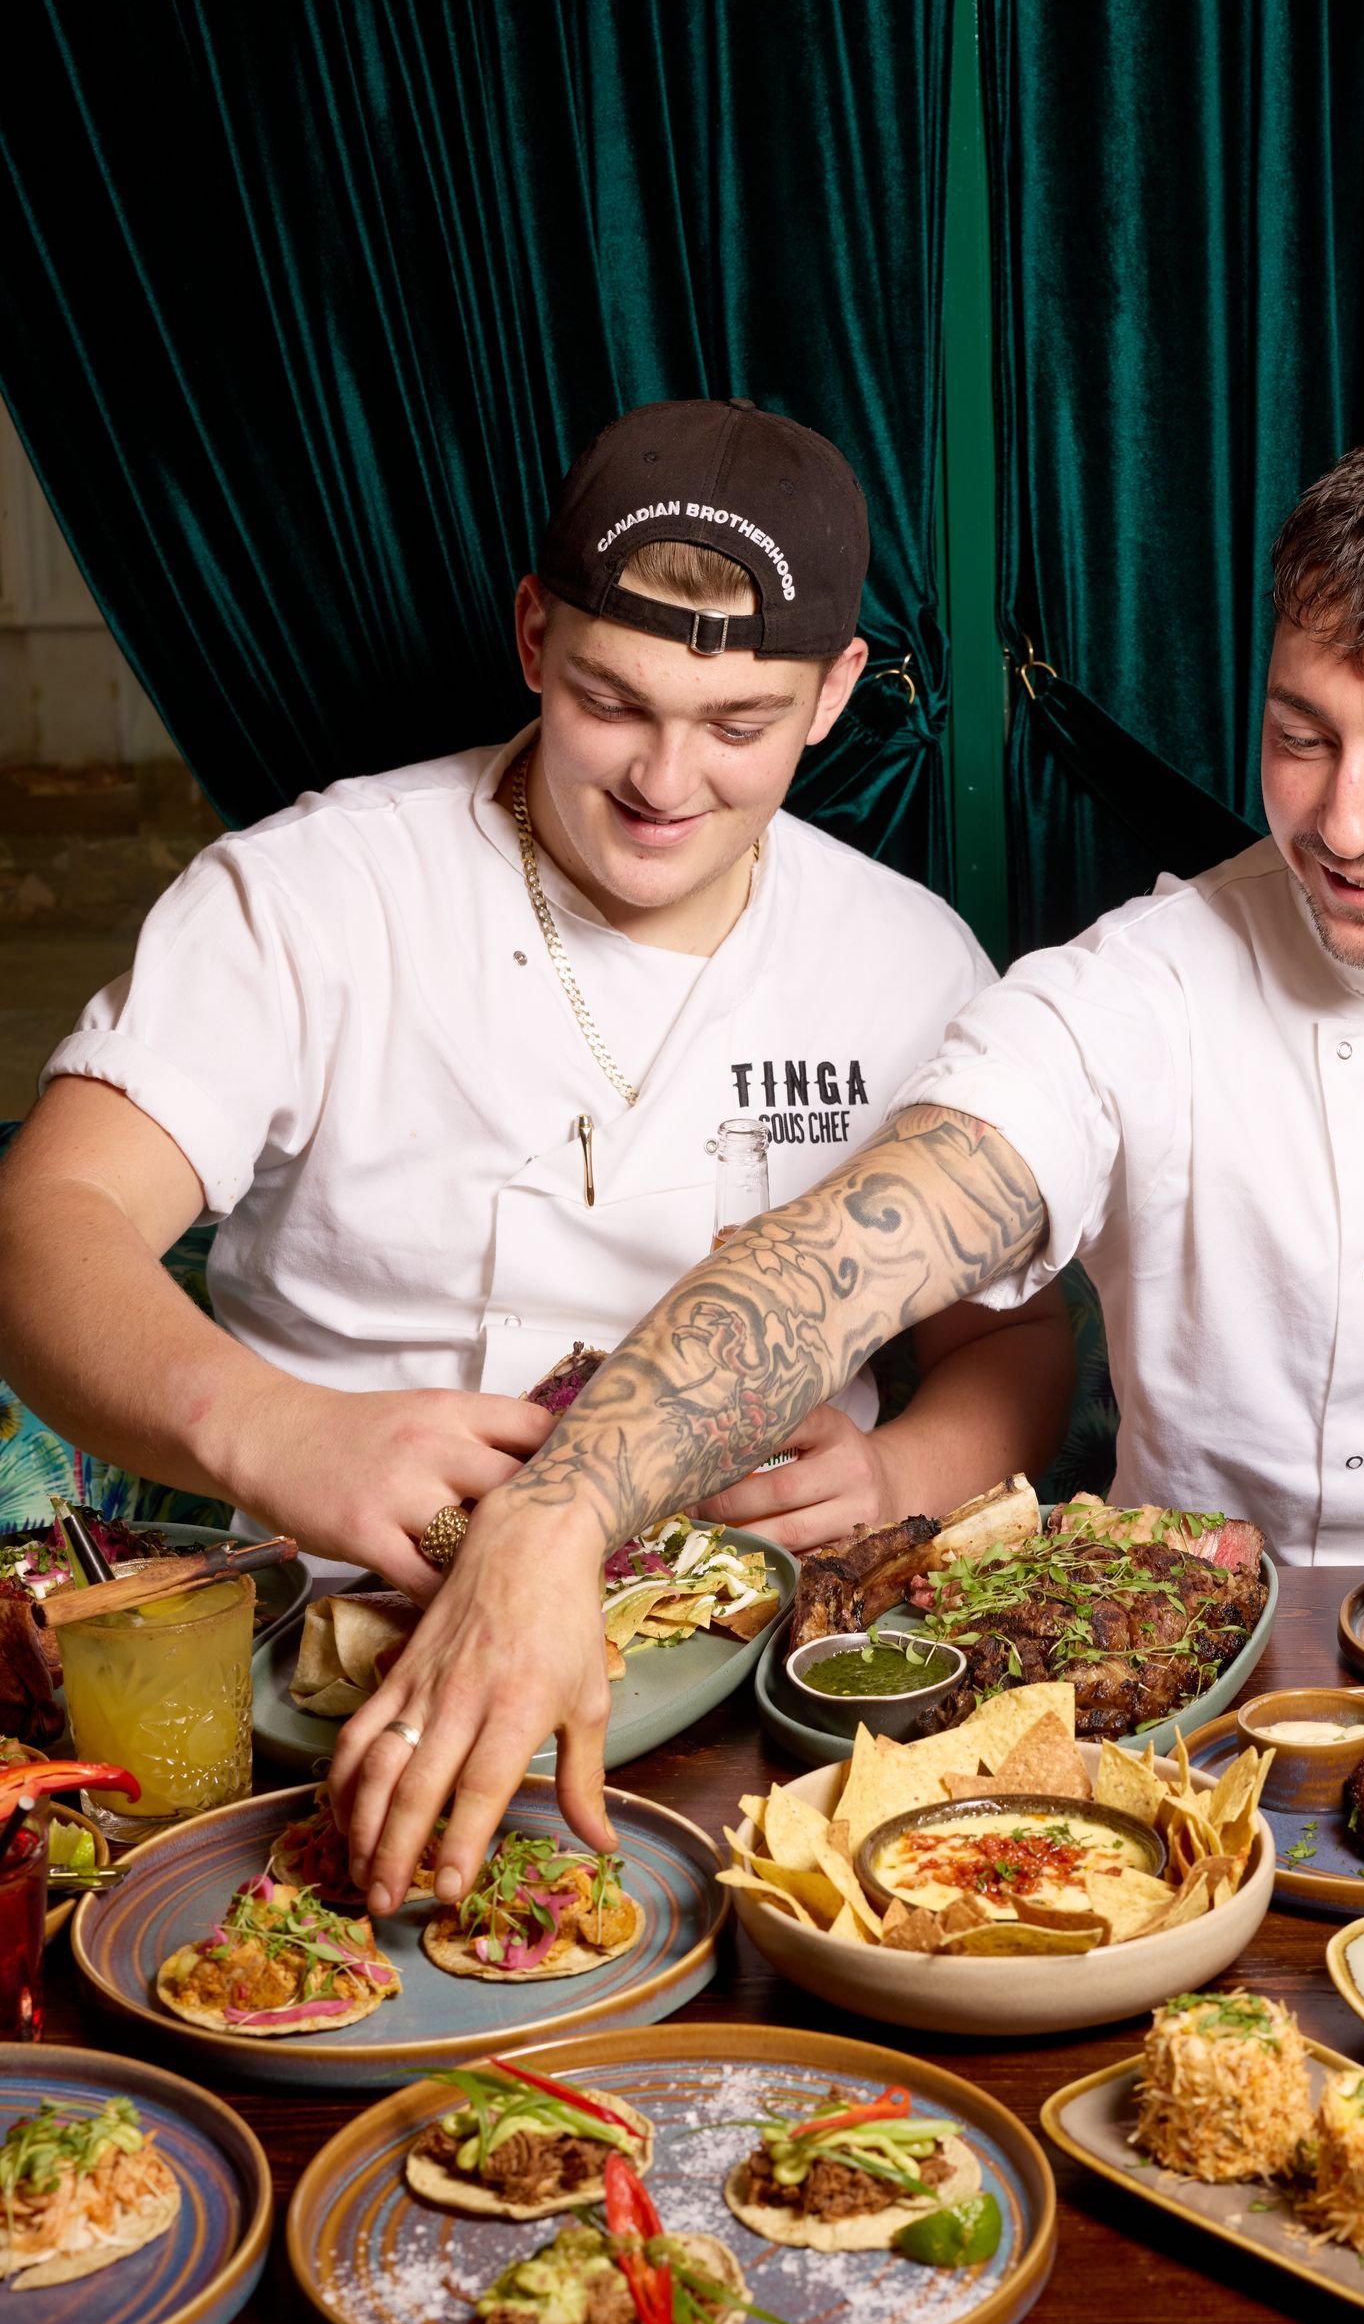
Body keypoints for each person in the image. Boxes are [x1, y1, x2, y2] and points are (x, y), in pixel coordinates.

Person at [334, 424, 1364, 1914]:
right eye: (1301, 734)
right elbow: (836, 1256)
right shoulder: (1144, 982)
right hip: (1190, 1718)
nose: (1343, 818)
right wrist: (554, 1518)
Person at [0, 398, 1074, 1603]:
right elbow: (48, 1216)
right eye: (610, 701)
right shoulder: (310, 895)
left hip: (754, 1631)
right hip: (339, 1613)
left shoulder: (911, 959)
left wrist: (897, 1473)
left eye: (738, 724)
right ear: (532, 635)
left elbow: (1009, 1337)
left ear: (831, 695)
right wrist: (270, 1427)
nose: (664, 781)